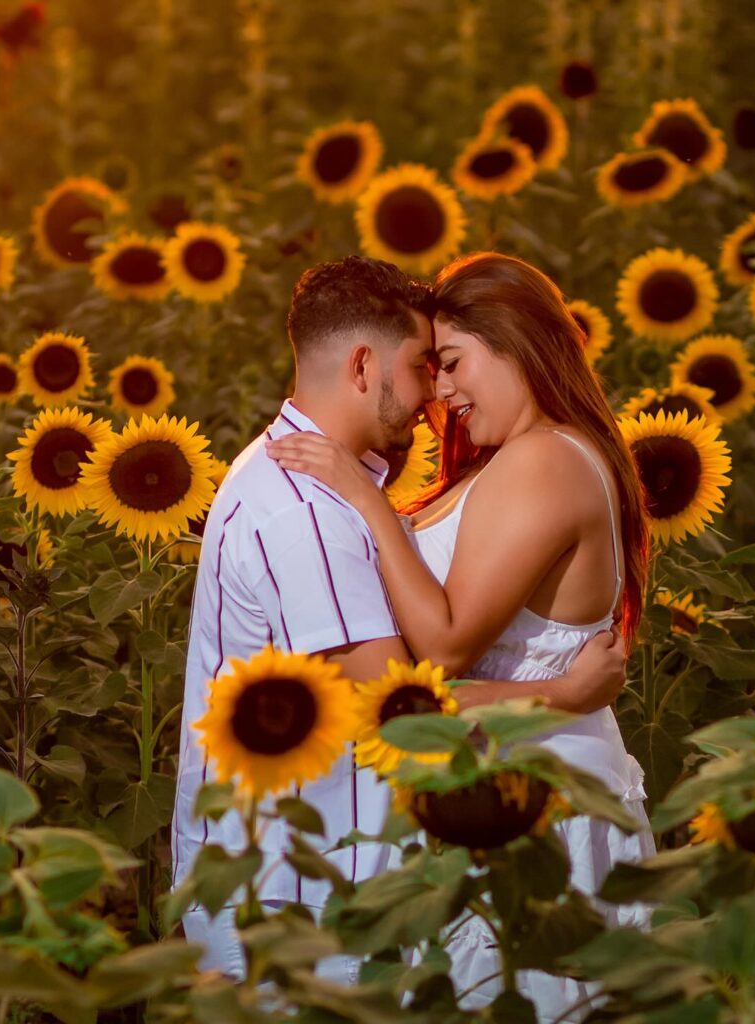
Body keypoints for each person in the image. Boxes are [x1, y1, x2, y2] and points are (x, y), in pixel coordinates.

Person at [171, 255, 629, 983]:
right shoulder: (308, 507)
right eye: (428, 365)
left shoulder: (533, 462)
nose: (439, 394)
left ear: (515, 343)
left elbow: (420, 672)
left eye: (450, 363)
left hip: (501, 817)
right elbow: (393, 702)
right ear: (362, 365)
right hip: (296, 887)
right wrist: (562, 695)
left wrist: (369, 498)